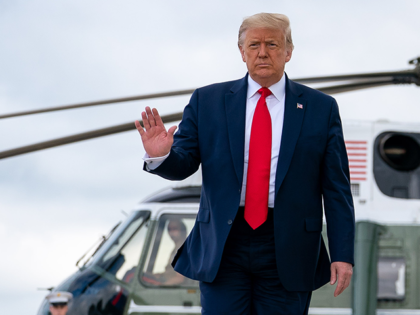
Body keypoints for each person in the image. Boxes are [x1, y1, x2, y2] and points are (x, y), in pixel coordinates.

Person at [135, 12, 355, 314]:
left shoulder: (321, 108)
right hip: (225, 243)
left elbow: (336, 189)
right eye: (254, 45)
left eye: (272, 44)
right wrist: (161, 155)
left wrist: (343, 254)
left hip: (289, 246)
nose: (262, 52)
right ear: (242, 52)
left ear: (289, 51)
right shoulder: (207, 101)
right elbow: (183, 163)